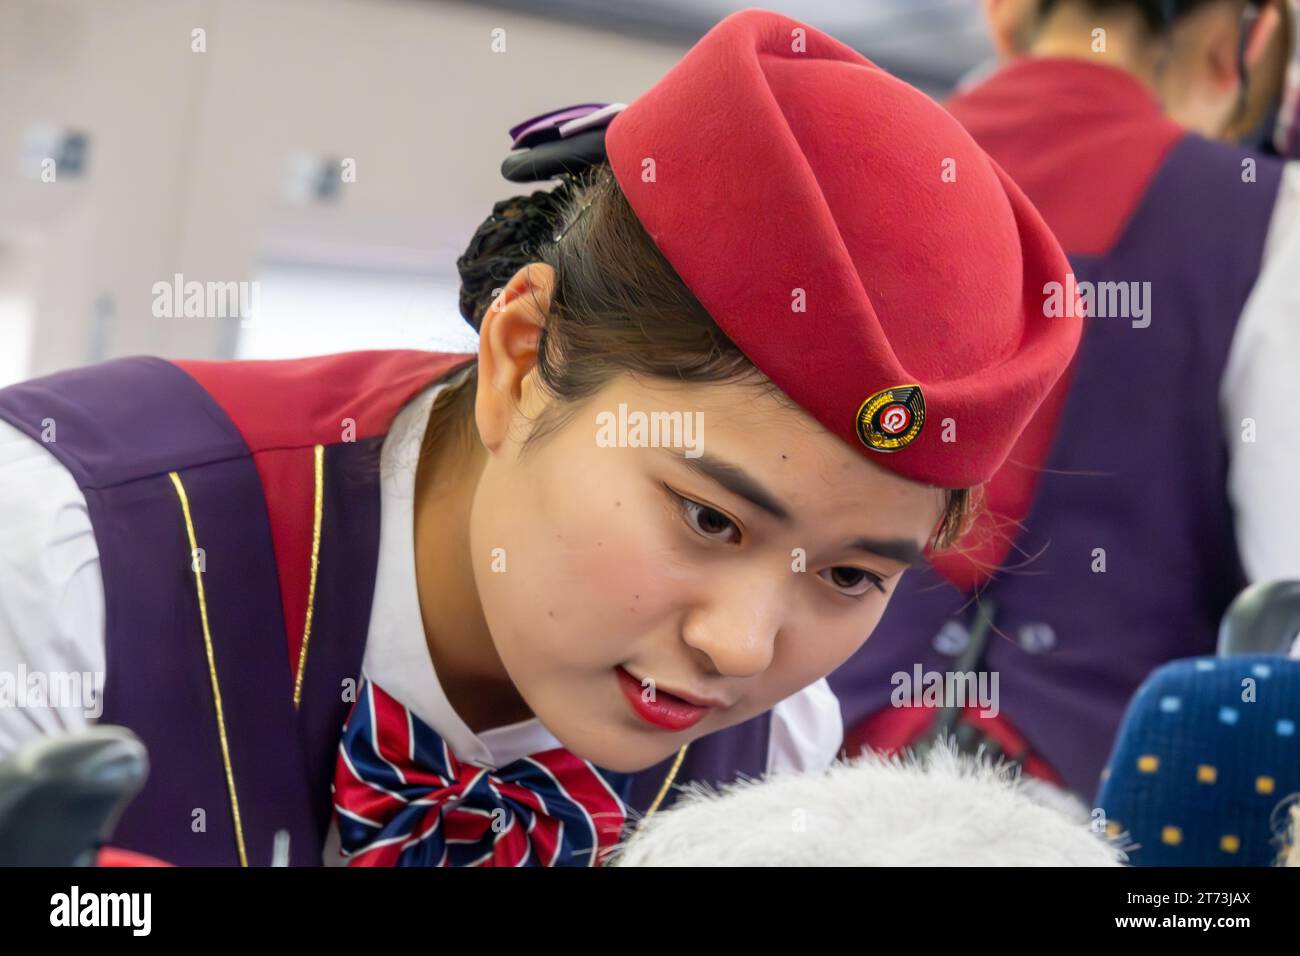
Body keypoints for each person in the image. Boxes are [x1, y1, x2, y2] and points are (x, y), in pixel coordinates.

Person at [0, 8, 1080, 866]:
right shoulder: (70, 542)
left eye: (847, 574)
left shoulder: (774, 757)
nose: (743, 647)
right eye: (708, 516)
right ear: (519, 359)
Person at [828, 0, 1300, 804]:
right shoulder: (1264, 218)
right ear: (1235, 41)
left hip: (802, 771)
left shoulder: (846, 169)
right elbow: (1285, 597)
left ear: (1004, 15)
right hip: (1103, 808)